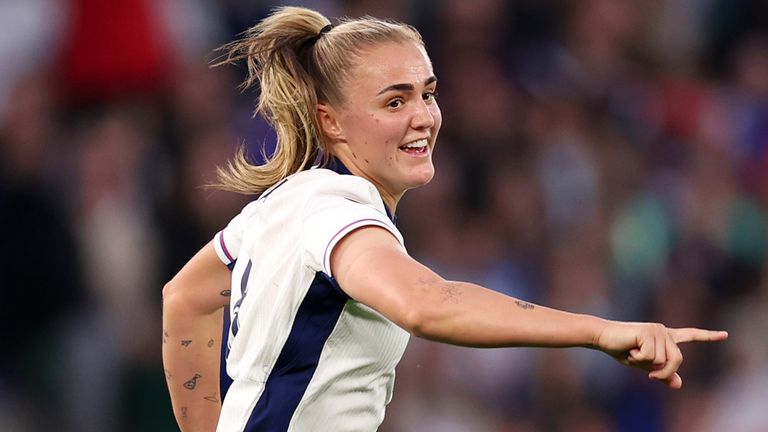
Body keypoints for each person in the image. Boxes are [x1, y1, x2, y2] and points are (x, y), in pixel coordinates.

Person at [161, 6, 728, 432]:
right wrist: (599, 330)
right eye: (394, 101)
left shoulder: (281, 205)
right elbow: (426, 304)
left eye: (426, 94)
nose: (423, 118)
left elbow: (185, 299)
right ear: (330, 121)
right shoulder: (337, 213)